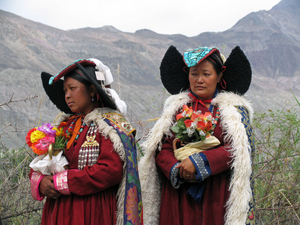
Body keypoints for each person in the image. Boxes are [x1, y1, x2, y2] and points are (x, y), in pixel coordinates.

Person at [138, 46, 256, 225]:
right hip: (177, 193)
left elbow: (238, 150)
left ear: (219, 77)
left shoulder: (232, 112)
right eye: (194, 74)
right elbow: (162, 147)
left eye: (206, 74)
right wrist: (177, 169)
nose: (199, 80)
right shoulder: (176, 109)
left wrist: (199, 162)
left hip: (215, 194)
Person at [29, 58, 142, 225]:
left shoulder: (109, 127)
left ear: (91, 90)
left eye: (72, 88)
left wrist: (64, 181)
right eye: (65, 90)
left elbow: (111, 170)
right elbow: (42, 161)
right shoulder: (65, 125)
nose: (67, 95)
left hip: (93, 211)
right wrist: (41, 182)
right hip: (59, 210)